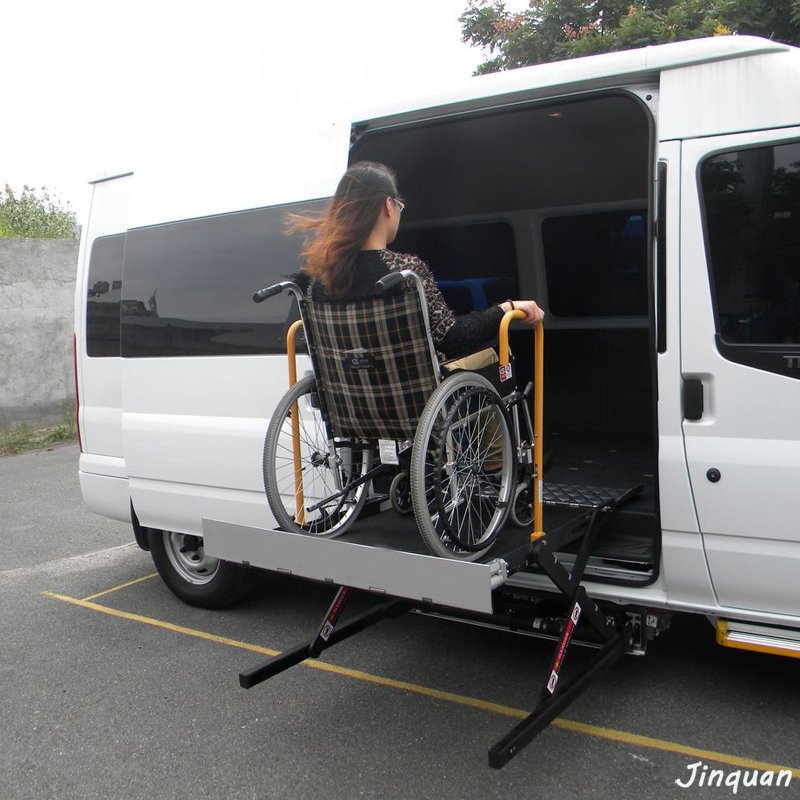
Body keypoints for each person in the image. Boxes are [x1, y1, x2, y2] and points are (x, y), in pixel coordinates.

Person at [286, 161, 544, 368]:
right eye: (399, 205)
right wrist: (504, 309)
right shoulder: (405, 272)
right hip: (415, 408)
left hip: (352, 409)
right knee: (499, 355)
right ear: (388, 205)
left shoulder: (321, 281)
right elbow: (452, 338)